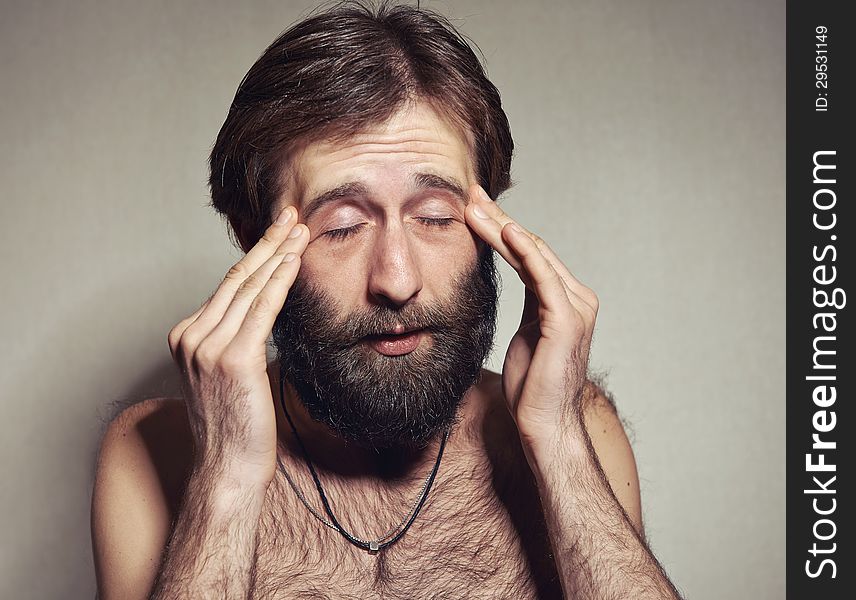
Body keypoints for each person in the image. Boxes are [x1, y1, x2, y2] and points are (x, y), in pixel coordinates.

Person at [91, 2, 682, 598]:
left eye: (435, 217)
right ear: (253, 239)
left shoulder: (576, 430)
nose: (397, 280)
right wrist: (226, 478)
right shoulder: (154, 452)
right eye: (343, 227)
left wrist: (558, 445)